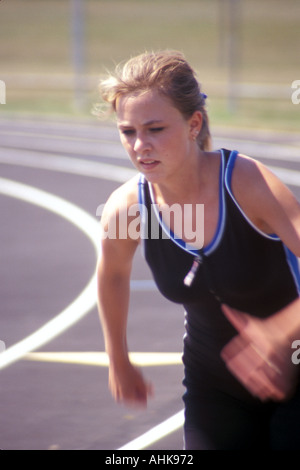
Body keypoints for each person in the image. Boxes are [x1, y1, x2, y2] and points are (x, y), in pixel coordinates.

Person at [96, 50, 300, 450]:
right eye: (128, 132)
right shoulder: (134, 207)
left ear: (193, 124)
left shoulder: (245, 184)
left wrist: (279, 332)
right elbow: (113, 273)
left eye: (155, 129)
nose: (140, 146)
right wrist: (118, 359)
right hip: (214, 384)